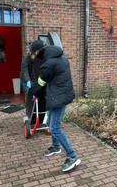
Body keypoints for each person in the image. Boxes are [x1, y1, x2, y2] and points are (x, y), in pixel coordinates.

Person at [31, 39, 81, 172]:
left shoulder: (49, 63)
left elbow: (41, 81)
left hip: (58, 98)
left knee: (54, 128)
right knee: (52, 124)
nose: (34, 56)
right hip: (59, 96)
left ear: (37, 51)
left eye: (34, 54)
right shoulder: (60, 58)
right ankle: (55, 146)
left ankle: (72, 156)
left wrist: (35, 93)